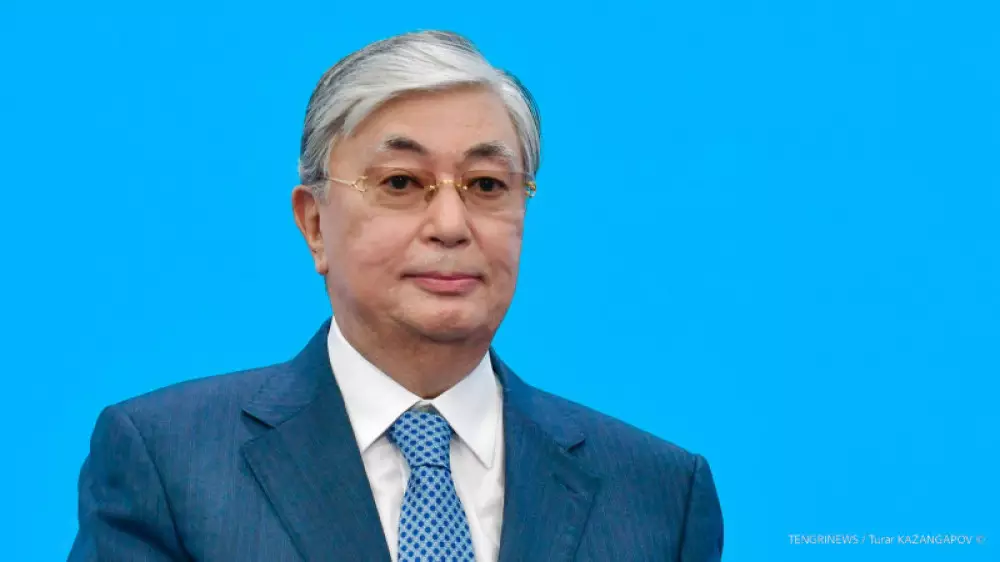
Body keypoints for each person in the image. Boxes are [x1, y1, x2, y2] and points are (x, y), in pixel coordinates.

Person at [69, 30, 724, 562]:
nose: (450, 225)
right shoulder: (171, 463)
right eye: (402, 183)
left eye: (486, 185)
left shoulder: (659, 495)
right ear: (315, 225)